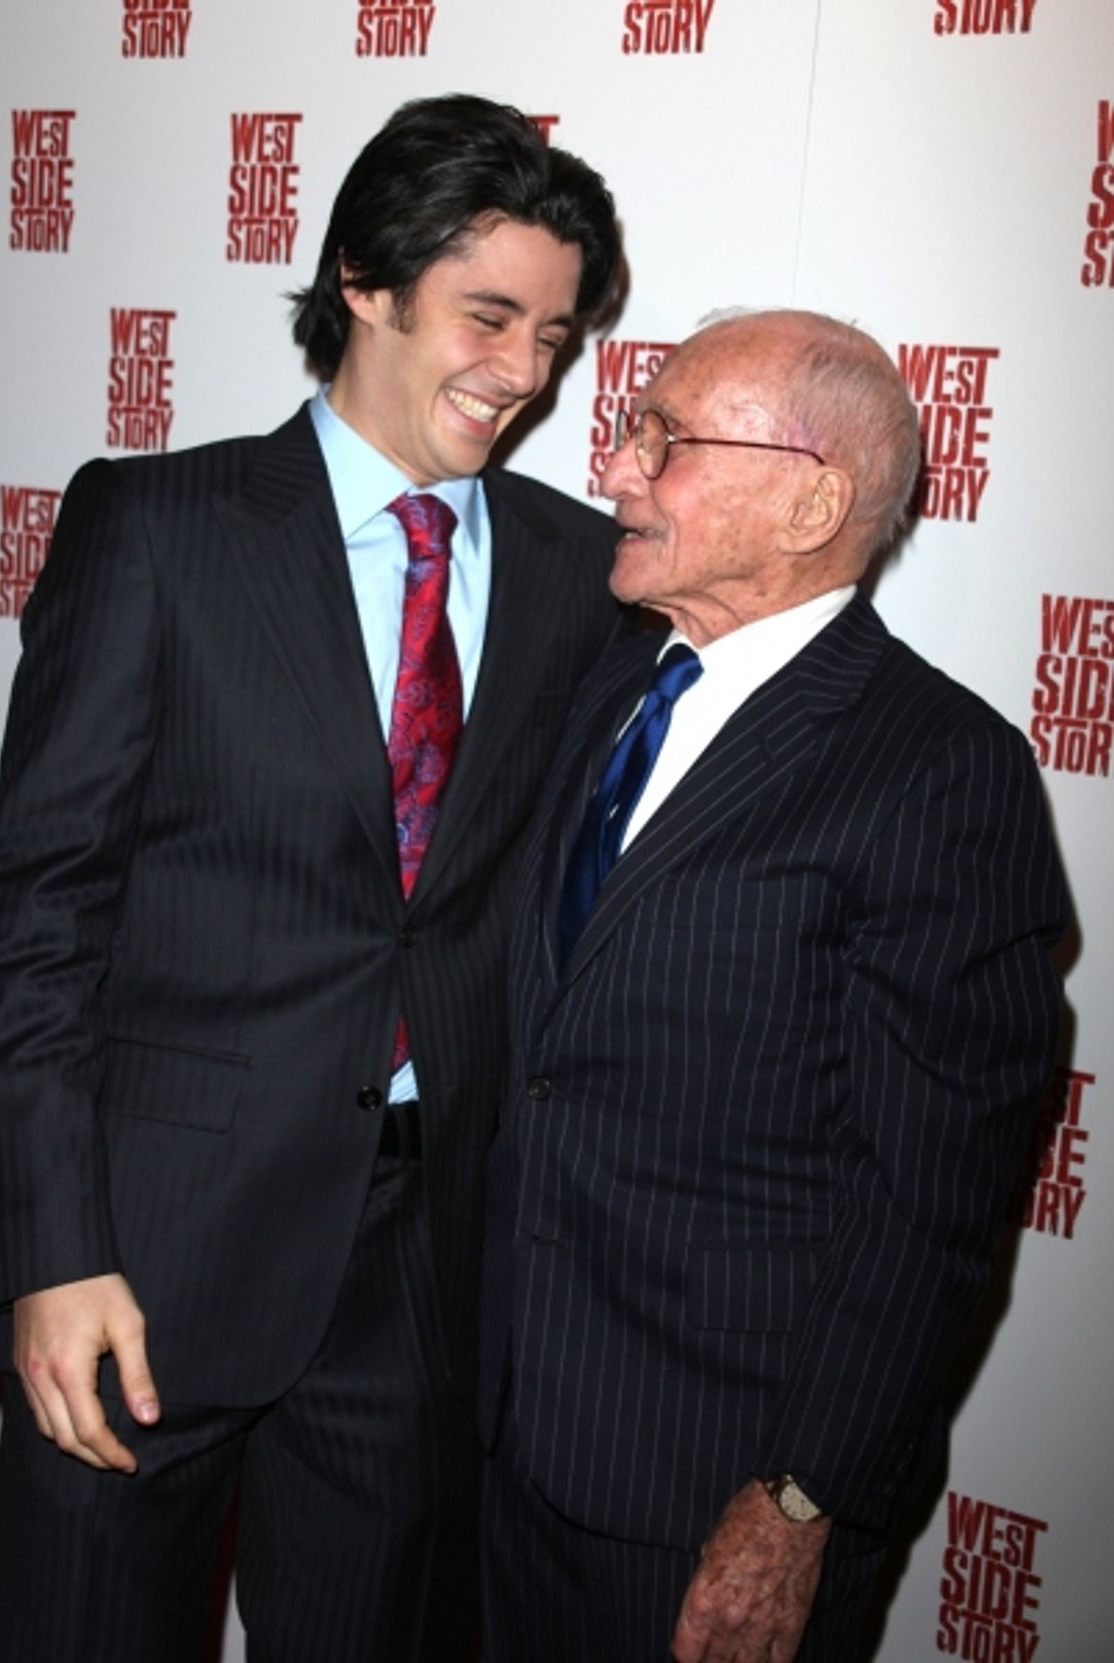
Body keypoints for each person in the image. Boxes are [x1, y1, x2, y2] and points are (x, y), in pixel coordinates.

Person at [0, 94, 623, 1663]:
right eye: (489, 317)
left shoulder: (580, 572)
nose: (523, 373)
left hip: (420, 1268)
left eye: (557, 333)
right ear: (365, 285)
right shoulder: (160, 526)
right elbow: (38, 913)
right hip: (153, 1247)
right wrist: (52, 1250)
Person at [478, 309, 1068, 1663]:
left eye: (662, 440)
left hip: (712, 1492)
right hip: (506, 1436)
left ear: (812, 499)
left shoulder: (939, 772)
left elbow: (930, 1206)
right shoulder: (608, 684)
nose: (614, 469)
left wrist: (799, 1500)